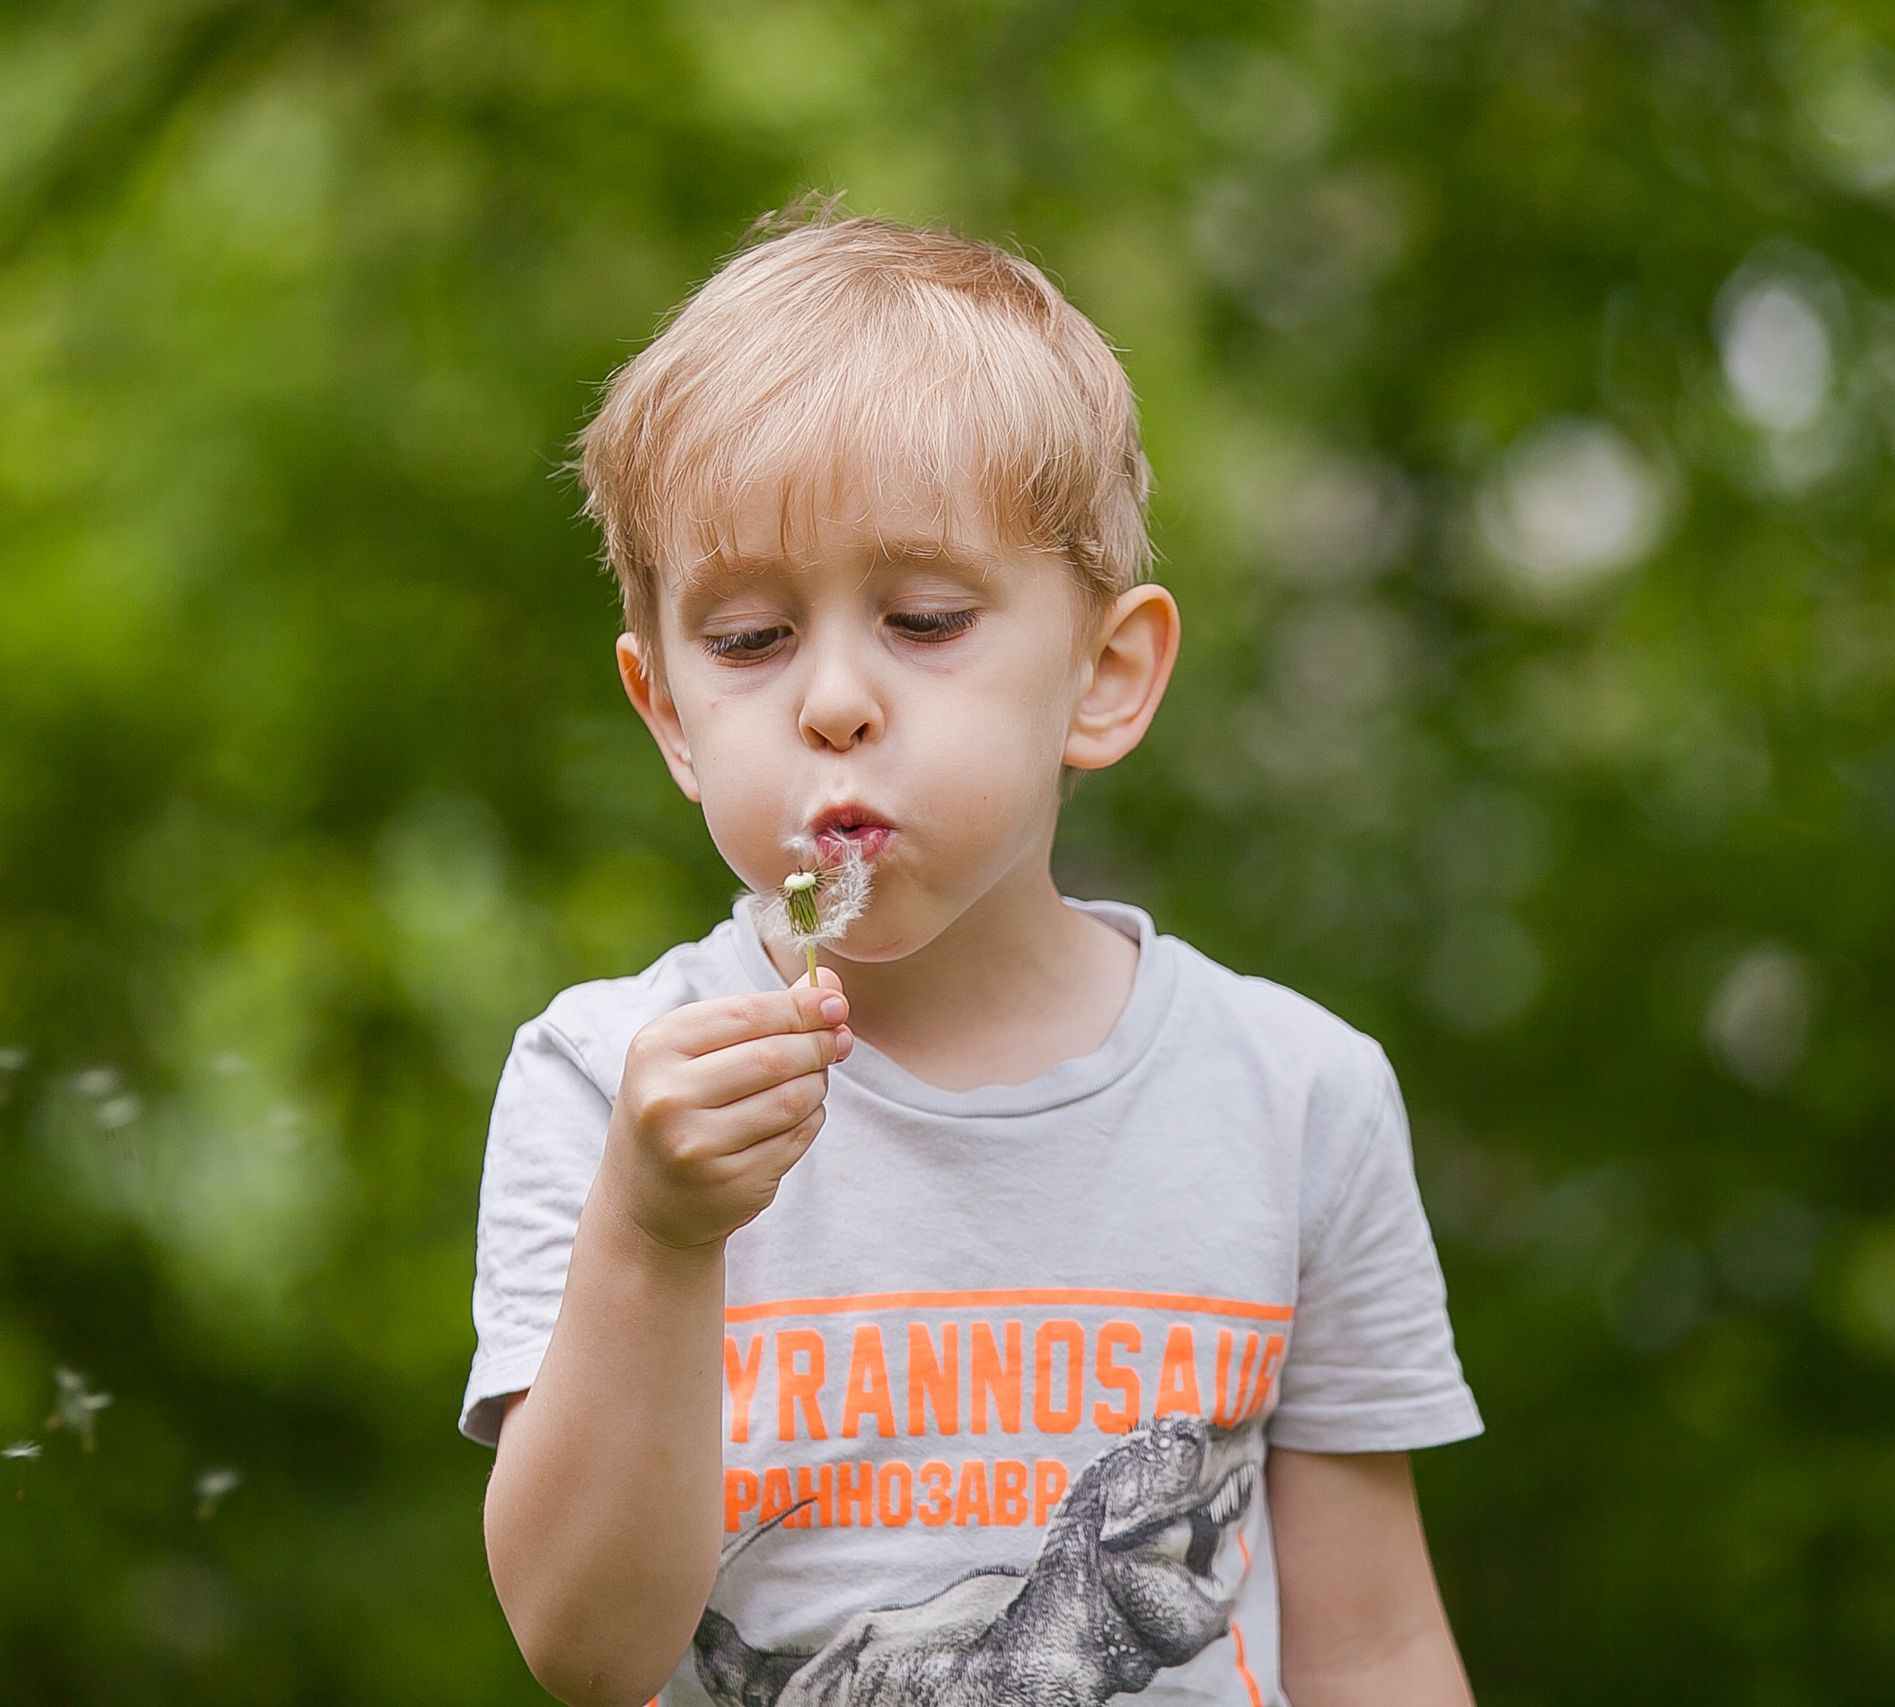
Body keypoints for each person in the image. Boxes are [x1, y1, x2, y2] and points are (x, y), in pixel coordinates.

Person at [465, 205, 1481, 1707]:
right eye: (746, 640)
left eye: (926, 619)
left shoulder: (1296, 1096)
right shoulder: (610, 1087)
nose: (833, 702)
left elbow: (1375, 1643)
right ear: (668, 713)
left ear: (1105, 675)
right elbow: (587, 1651)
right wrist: (654, 1234)